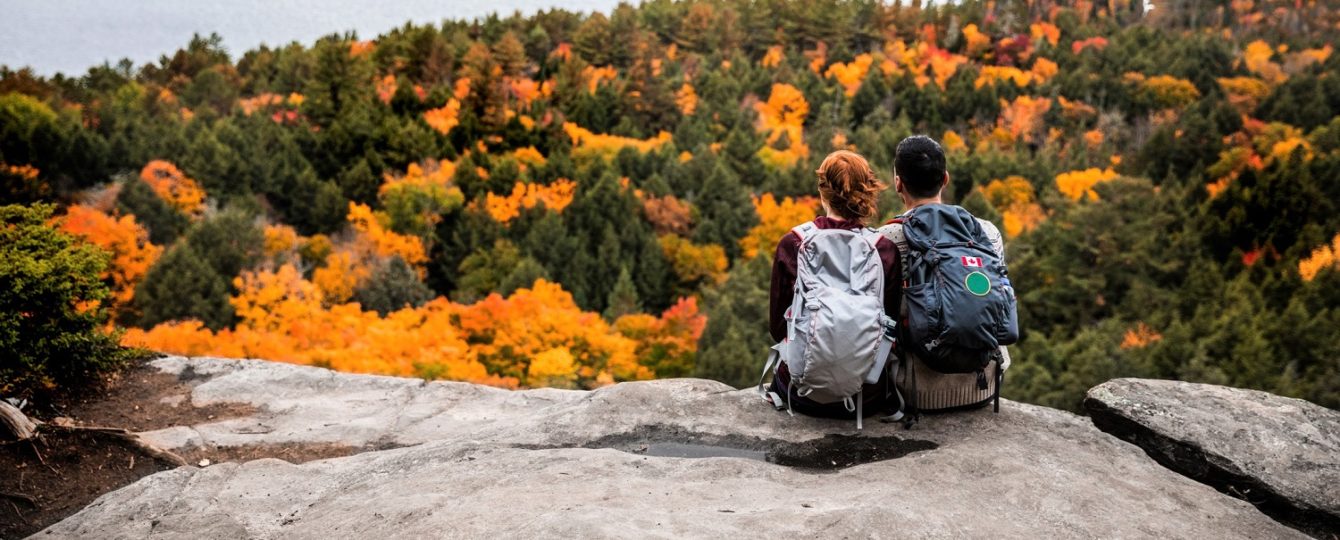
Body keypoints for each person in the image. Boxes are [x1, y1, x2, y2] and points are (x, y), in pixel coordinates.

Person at [879, 135, 1012, 417]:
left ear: (898, 183)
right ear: (946, 178)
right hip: (984, 387)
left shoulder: (887, 238)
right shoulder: (987, 233)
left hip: (914, 392)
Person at [767, 150, 899, 419]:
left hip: (800, 393)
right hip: (866, 393)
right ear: (867, 192)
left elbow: (778, 327)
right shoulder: (884, 249)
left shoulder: (793, 243)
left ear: (822, 191)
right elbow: (890, 328)